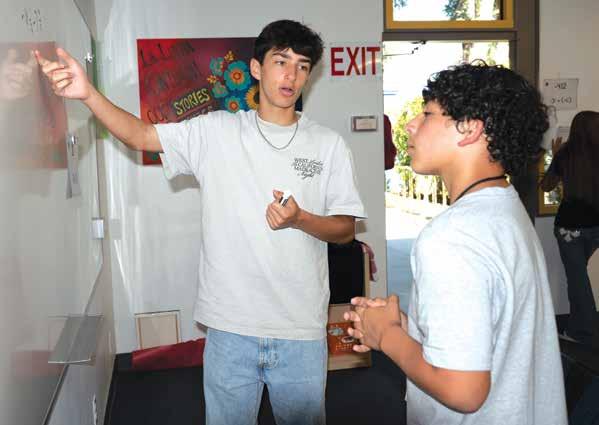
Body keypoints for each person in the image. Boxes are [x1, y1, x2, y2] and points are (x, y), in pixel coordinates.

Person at [36, 19, 366, 425]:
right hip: (230, 329)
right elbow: (142, 136)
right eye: (281, 62)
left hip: (301, 330)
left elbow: (345, 229)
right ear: (256, 68)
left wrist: (301, 219)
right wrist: (87, 93)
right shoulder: (217, 131)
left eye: (302, 66)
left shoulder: (329, 145)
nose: (291, 76)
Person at [345, 63, 567, 424]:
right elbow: (488, 331)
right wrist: (409, 326)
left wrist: (386, 335)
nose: (410, 124)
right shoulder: (504, 207)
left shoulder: (452, 236)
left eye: (428, 114)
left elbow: (463, 391)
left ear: (470, 129)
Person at [541, 111, 599, 348]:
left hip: (570, 228)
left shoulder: (566, 154)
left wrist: (555, 156)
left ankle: (585, 332)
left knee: (577, 280)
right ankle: (579, 326)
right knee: (578, 277)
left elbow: (546, 186)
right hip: (595, 228)